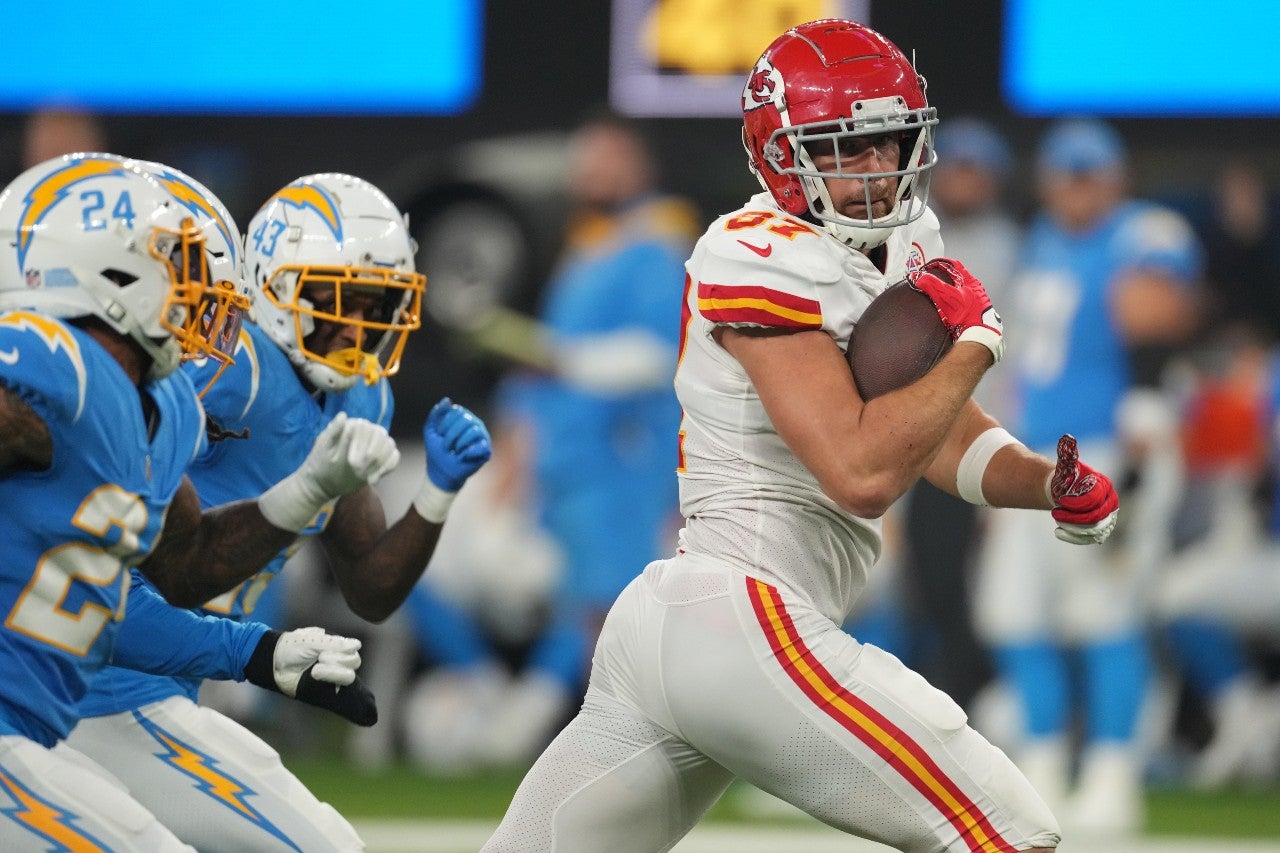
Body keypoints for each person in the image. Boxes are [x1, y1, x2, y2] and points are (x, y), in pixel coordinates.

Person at [483, 20, 1119, 853]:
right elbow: (861, 469)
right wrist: (974, 346)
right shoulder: (756, 251)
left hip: (699, 628)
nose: (876, 168)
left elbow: (932, 431)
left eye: (888, 142)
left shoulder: (908, 240)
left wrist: (1045, 482)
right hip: (741, 612)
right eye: (844, 150)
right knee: (1009, 830)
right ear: (781, 156)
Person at [66, 169, 492, 852]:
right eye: (338, 300)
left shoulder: (359, 397)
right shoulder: (224, 366)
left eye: (380, 306)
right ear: (271, 284)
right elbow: (160, 570)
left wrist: (436, 493)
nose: (361, 327)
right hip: (105, 677)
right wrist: (254, 648)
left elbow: (371, 586)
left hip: (167, 676)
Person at [0, 155, 398, 850]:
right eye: (182, 278)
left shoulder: (162, 407)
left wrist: (306, 497)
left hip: (45, 716)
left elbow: (181, 566)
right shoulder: (55, 369)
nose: (210, 309)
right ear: (107, 273)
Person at [971, 118, 1202, 835]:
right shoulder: (1040, 239)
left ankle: (1111, 775)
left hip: (1109, 446)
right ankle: (1041, 767)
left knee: (1105, 611)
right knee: (1012, 612)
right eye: (1066, 175)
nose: (1077, 189)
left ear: (1115, 178)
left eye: (1089, 174)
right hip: (1034, 449)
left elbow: (1158, 308)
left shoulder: (1144, 231)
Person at [454, 110, 696, 766]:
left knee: (618, 609)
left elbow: (652, 354)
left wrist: (548, 351)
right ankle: (602, 738)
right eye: (585, 159)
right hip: (566, 465)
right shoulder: (584, 250)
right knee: (584, 607)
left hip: (623, 461)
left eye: (607, 158)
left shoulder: (654, 246)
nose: (592, 173)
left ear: (638, 166)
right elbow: (538, 385)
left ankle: (655, 741)